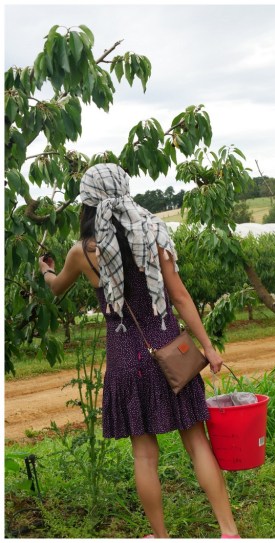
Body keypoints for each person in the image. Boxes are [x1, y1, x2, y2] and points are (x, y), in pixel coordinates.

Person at [38, 163, 240, 539]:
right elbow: (179, 296)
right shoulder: (153, 235)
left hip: (126, 360)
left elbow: (55, 288)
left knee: (145, 456)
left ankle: (160, 537)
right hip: (170, 350)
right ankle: (229, 531)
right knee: (197, 443)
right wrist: (209, 349)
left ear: (88, 203)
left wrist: (44, 270)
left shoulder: (82, 252)